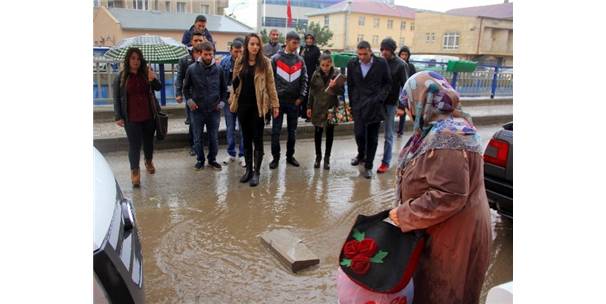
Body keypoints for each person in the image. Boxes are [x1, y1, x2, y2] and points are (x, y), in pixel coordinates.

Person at [388, 71, 491, 304]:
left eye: (409, 103)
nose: (409, 111)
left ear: (423, 100)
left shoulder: (448, 136)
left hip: (455, 235)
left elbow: (449, 195)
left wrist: (402, 214)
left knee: (445, 293)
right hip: (446, 227)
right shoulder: (441, 127)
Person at [230, 33, 280, 187]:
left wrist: (275, 105)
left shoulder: (265, 62)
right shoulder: (240, 60)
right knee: (246, 138)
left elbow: (271, 85)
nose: (255, 47)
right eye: (252, 44)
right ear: (246, 45)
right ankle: (249, 171)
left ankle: (257, 172)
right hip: (243, 105)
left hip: (259, 106)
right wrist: (232, 96)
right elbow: (234, 82)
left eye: (257, 44)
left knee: (257, 139)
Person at [112, 47, 162, 187]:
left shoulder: (147, 73)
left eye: (138, 58)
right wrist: (118, 116)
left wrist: (152, 79)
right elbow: (116, 98)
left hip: (148, 115)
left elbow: (159, 87)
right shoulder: (121, 77)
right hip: (131, 118)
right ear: (128, 60)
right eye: (133, 58)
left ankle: (148, 160)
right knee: (134, 145)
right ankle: (135, 171)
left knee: (148, 142)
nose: (136, 61)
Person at [346, 41, 391, 179]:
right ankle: (360, 155)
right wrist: (353, 101)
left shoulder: (381, 64)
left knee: (372, 137)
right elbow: (350, 84)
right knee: (359, 134)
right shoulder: (352, 64)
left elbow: (387, 83)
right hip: (358, 105)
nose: (362, 57)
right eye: (359, 54)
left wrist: (379, 98)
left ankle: (368, 165)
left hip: (374, 106)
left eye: (365, 54)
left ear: (370, 51)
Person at [183, 42, 227, 171]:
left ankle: (212, 159)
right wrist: (189, 101)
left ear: (213, 54)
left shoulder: (219, 70)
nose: (208, 57)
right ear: (200, 53)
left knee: (213, 136)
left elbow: (224, 90)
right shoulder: (191, 69)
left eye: (210, 54)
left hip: (214, 110)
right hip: (197, 110)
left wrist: (222, 103)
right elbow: (186, 89)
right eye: (206, 54)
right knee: (197, 137)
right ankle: (200, 160)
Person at [269, 31, 308, 169]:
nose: (296, 46)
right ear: (287, 41)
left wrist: (301, 98)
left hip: (294, 103)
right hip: (278, 102)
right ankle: (275, 158)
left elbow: (304, 80)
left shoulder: (300, 60)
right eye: (294, 43)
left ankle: (290, 156)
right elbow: (270, 81)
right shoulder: (275, 59)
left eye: (298, 43)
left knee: (292, 132)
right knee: (276, 131)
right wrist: (273, 101)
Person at [377, 38, 409, 174]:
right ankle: (365, 157)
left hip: (390, 103)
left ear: (392, 50)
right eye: (382, 49)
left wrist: (401, 106)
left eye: (387, 50)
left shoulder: (400, 65)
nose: (384, 52)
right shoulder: (379, 62)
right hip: (377, 102)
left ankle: (385, 162)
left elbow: (406, 87)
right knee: (370, 130)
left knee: (388, 134)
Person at [306, 54, 343, 170]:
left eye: (328, 65)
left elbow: (341, 92)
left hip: (332, 108)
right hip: (318, 107)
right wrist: (309, 107)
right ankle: (318, 157)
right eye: (323, 65)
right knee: (318, 133)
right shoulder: (315, 74)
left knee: (330, 133)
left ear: (331, 63)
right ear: (320, 64)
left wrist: (334, 86)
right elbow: (311, 92)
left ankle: (327, 158)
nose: (325, 67)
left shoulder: (336, 74)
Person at [176, 31, 205, 156]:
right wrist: (178, 93)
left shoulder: (207, 56)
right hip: (190, 96)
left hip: (205, 96)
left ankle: (201, 144)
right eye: (196, 40)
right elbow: (179, 77)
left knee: (203, 121)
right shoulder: (184, 58)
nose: (198, 43)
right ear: (191, 42)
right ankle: (193, 146)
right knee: (192, 121)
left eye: (200, 40)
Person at [220, 39, 246, 167]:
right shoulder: (224, 63)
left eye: (240, 51)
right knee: (230, 127)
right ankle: (231, 153)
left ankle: (243, 154)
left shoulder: (247, 63)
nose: (238, 54)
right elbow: (221, 82)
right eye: (236, 51)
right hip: (228, 99)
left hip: (243, 100)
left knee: (243, 128)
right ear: (231, 51)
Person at [299, 33, 321, 121]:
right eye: (307, 38)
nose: (309, 40)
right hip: (302, 75)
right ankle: (303, 113)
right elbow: (299, 59)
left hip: (312, 75)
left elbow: (319, 63)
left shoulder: (316, 49)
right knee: (303, 93)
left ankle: (310, 115)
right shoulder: (302, 48)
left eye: (311, 38)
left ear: (313, 40)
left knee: (311, 95)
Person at [397, 45, 417, 137]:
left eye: (406, 54)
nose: (404, 57)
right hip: (397, 91)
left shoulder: (411, 66)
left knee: (406, 111)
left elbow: (414, 79)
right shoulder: (396, 64)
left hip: (407, 92)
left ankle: (400, 131)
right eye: (402, 54)